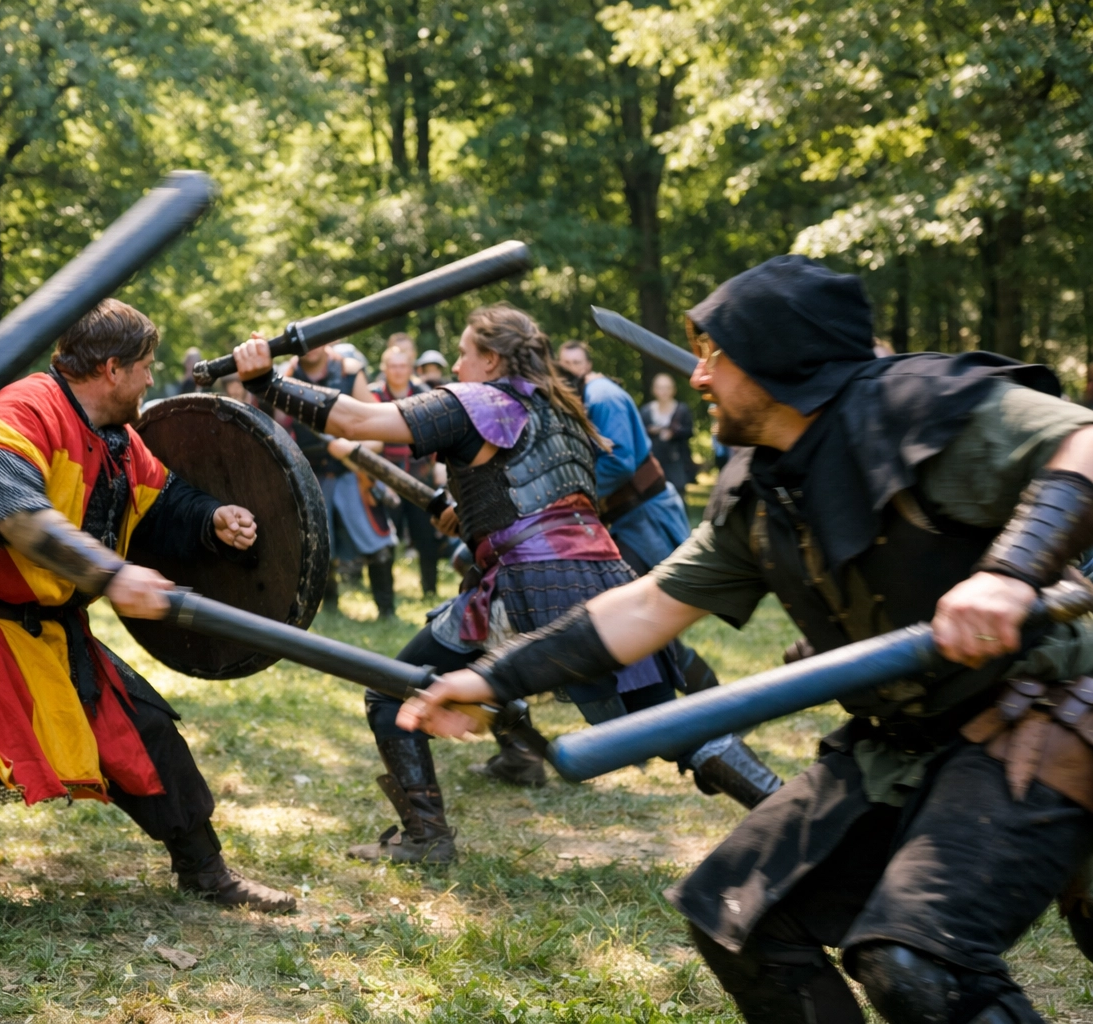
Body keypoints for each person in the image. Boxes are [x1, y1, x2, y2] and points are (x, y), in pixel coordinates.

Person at [402, 255, 1093, 1024]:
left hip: (1039, 716)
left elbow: (1084, 442)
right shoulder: (763, 494)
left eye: (714, 358)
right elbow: (641, 609)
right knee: (738, 920)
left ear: (778, 362)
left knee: (916, 965)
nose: (698, 379)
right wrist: (495, 680)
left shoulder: (923, 408)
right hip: (899, 742)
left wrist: (1010, 571)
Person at [0, 299, 296, 912]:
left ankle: (208, 872)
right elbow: (15, 516)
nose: (153, 378)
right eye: (147, 366)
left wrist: (211, 519)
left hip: (47, 632)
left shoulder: (118, 440)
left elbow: (163, 501)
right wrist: (112, 575)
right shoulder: (22, 410)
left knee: (145, 733)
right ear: (113, 369)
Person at [233, 303, 679, 863]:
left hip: (528, 584)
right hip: (606, 579)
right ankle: (760, 793)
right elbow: (532, 497)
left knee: (391, 690)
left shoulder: (479, 400)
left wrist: (267, 380)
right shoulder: (563, 409)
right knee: (675, 721)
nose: (458, 365)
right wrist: (465, 516)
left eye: (466, 353)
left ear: (491, 360)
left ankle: (427, 838)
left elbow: (358, 422)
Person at [470, 340, 779, 798]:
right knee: (638, 628)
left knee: (645, 625)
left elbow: (618, 464)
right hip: (614, 525)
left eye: (574, 365)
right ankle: (714, 714)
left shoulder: (605, 397)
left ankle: (716, 714)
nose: (567, 374)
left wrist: (555, 498)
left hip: (642, 521)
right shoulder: (571, 402)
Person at [253, 334, 387, 614]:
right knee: (318, 545)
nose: (310, 346)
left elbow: (379, 430)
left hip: (352, 473)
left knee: (376, 542)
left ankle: (386, 608)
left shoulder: (349, 371)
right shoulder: (283, 377)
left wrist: (352, 448)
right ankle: (329, 608)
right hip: (309, 474)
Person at [369, 346, 442, 599]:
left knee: (426, 539)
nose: (398, 371)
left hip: (419, 476)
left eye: (403, 366)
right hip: (384, 477)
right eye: (393, 366)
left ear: (410, 368)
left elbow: (437, 435)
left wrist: (438, 470)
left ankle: (430, 591)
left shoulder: (424, 394)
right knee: (383, 541)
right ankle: (385, 602)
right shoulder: (372, 396)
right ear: (385, 368)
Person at [641, 371, 697, 497]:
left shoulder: (682, 409)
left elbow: (689, 431)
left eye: (667, 388)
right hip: (653, 464)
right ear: (654, 390)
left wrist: (674, 433)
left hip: (676, 463)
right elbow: (639, 434)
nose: (664, 391)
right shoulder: (646, 411)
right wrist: (650, 431)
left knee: (678, 497)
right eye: (660, 388)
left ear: (674, 390)